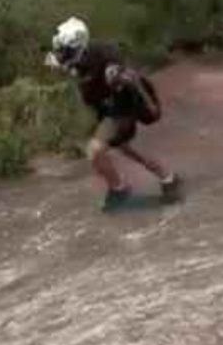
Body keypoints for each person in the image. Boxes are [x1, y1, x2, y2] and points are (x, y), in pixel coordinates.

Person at [46, 17, 182, 212]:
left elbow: (124, 77)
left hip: (121, 110)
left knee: (95, 150)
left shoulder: (105, 58)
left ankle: (119, 189)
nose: (60, 54)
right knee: (127, 148)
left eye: (64, 51)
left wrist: (119, 79)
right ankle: (167, 177)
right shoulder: (74, 58)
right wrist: (60, 65)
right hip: (107, 110)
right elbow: (70, 67)